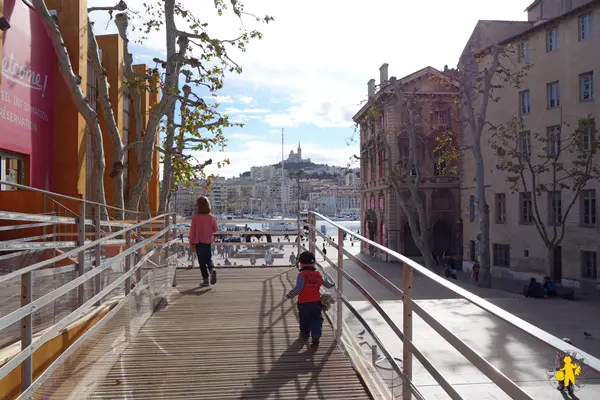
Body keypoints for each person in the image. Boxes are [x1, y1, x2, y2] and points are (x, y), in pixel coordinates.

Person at [285, 251, 335, 345]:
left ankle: (305, 332)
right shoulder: (318, 274)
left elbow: (298, 288)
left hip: (303, 303)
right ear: (314, 263)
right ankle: (316, 334)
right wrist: (333, 284)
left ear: (301, 264)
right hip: (316, 302)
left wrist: (290, 295)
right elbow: (327, 284)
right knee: (316, 318)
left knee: (304, 318)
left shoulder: (302, 275)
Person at [189, 196, 218, 287]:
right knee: (208, 258)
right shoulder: (212, 217)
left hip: (198, 242)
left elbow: (192, 231)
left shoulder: (195, 217)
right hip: (208, 241)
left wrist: (191, 243)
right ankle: (212, 269)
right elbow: (215, 229)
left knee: (201, 261)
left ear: (198, 206)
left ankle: (205, 280)